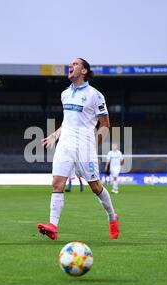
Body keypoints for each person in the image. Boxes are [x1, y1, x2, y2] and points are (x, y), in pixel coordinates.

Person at [37, 57, 119, 240]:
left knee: (95, 186)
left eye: (75, 64)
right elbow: (67, 122)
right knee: (57, 184)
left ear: (83, 71)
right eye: (70, 64)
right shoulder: (65, 94)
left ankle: (112, 217)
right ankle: (53, 226)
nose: (70, 66)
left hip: (85, 146)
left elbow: (105, 124)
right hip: (65, 144)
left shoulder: (95, 95)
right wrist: (55, 135)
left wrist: (94, 144)